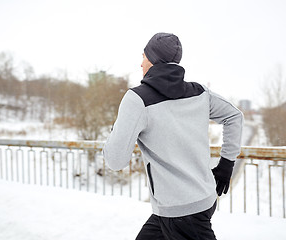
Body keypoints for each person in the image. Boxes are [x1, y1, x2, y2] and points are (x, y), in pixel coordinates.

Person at [103, 32, 243, 240]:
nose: (140, 64)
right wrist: (226, 165)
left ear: (152, 60)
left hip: (181, 213)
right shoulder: (200, 93)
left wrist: (119, 126)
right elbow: (234, 116)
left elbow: (114, 161)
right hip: (186, 205)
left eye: (143, 56)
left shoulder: (137, 99)